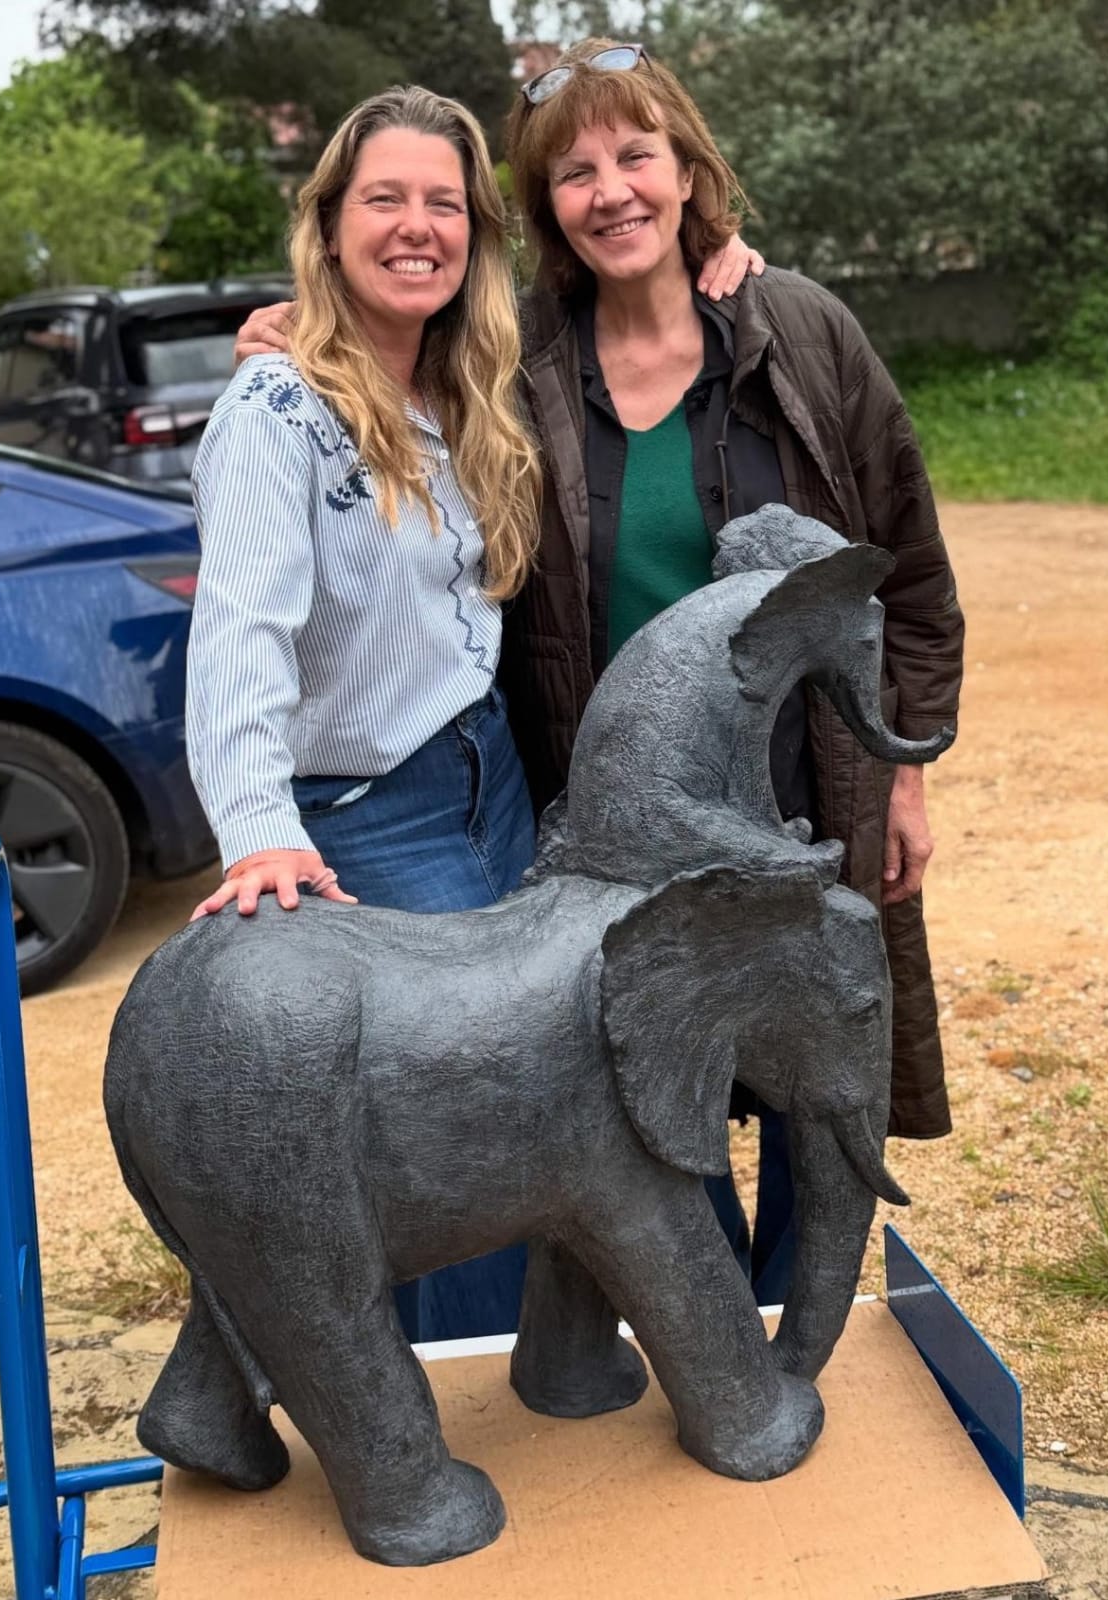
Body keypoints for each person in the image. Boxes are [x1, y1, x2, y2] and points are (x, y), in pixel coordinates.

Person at [235, 40, 964, 1306]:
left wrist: (904, 775)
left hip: (804, 792)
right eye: (575, 172)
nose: (612, 190)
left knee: (817, 1078)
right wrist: (297, 330)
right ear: (545, 208)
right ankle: (708, 1337)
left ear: (687, 169)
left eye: (637, 156)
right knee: (642, 1077)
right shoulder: (512, 367)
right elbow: (381, 363)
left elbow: (906, 565)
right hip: (612, 819)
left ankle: (805, 1335)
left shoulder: (799, 331)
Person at [202, 82, 758, 1343]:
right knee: (471, 1122)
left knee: (569, 1073)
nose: (418, 227)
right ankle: (482, 1383)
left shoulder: (466, 383)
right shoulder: (276, 412)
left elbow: (628, 273)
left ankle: (615, 1355)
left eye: (444, 204)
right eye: (384, 200)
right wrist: (257, 829)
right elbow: (238, 633)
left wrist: (721, 255)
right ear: (328, 224)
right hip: (372, 817)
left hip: (498, 787)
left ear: (478, 233)